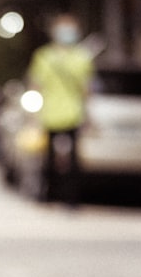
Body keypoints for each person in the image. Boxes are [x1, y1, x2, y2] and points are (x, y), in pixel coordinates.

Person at [26, 13, 94, 205]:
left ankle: (71, 198)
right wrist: (33, 114)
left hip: (73, 113)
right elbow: (35, 86)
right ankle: (49, 194)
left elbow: (86, 89)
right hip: (51, 113)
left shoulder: (82, 57)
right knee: (48, 159)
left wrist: (88, 114)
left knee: (73, 161)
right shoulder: (43, 56)